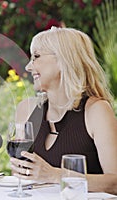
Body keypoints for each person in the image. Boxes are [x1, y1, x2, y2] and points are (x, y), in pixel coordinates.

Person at [10, 26, 117, 194]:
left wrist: (55, 175)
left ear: (63, 60)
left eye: (36, 57)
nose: (29, 67)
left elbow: (115, 182)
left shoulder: (96, 111)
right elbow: (22, 175)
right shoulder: (26, 109)